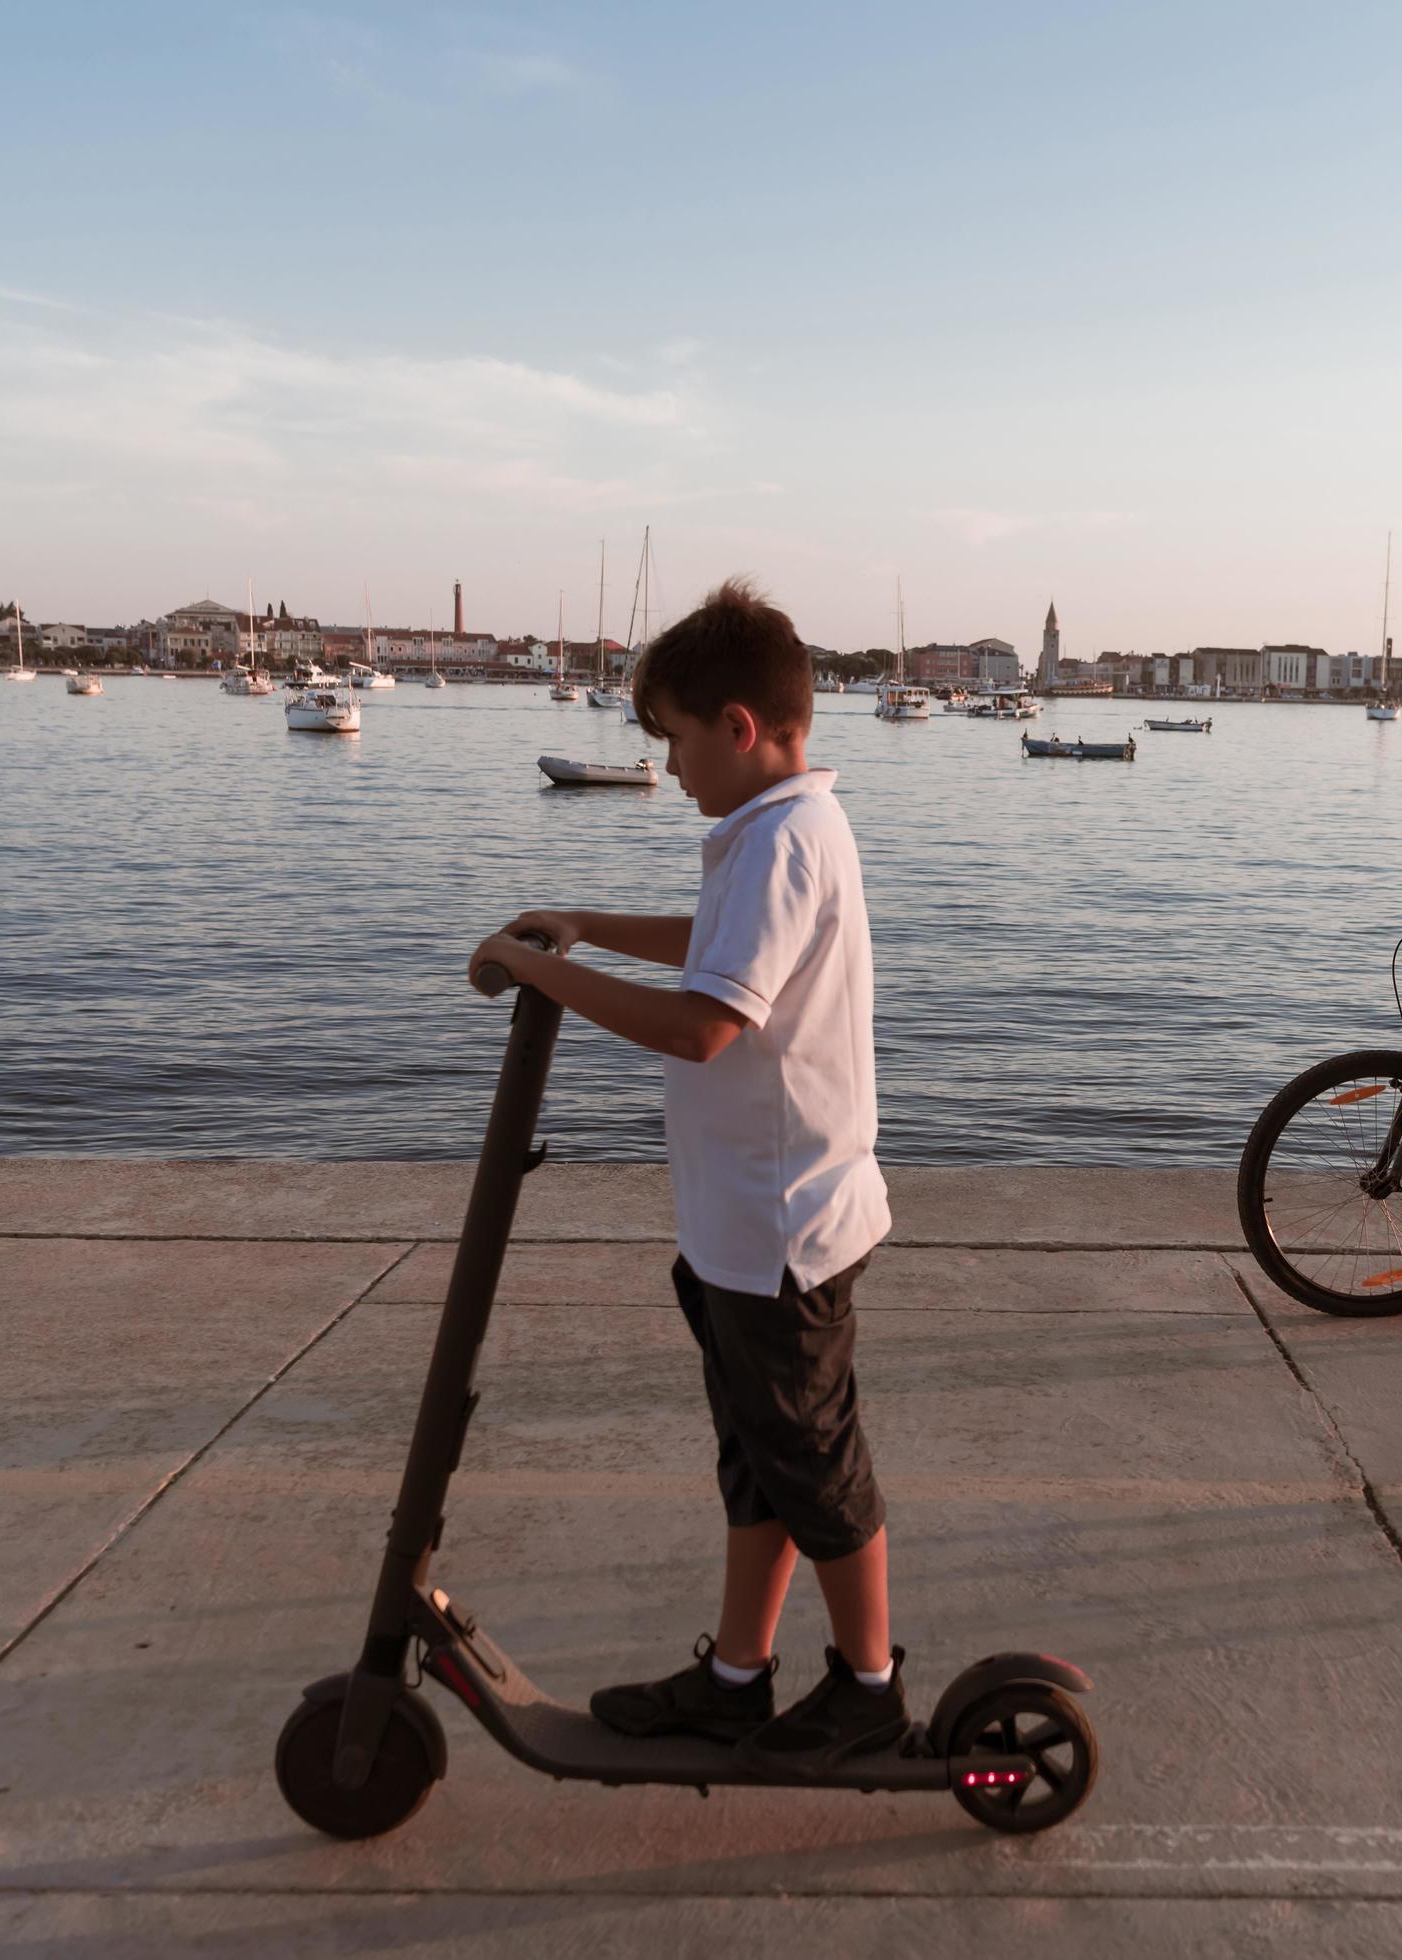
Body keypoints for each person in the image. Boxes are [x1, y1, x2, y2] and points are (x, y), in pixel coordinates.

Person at [467, 577, 903, 1774]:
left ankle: (869, 1689)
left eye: (672, 740)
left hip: (782, 1232)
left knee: (816, 1472)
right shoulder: (772, 829)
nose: (667, 766)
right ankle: (735, 1677)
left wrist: (534, 968)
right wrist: (583, 924)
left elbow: (706, 1023)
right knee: (760, 1464)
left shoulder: (783, 841)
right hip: (742, 1227)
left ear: (739, 726)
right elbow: (710, 940)